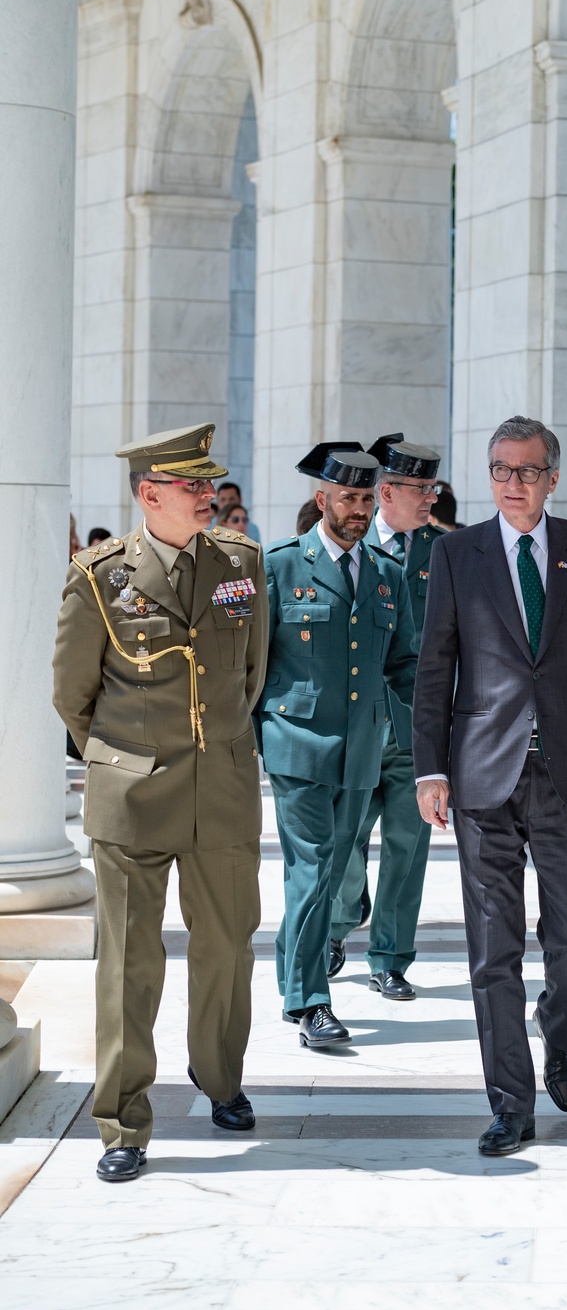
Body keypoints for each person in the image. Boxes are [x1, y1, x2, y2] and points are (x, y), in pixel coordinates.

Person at [413, 414, 567, 1155]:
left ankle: (559, 1033)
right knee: (491, 947)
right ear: (489, 477)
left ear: (553, 478)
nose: (515, 484)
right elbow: (434, 665)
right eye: (502, 471)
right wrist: (431, 769)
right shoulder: (457, 552)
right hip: (482, 777)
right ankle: (510, 1101)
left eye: (529, 471)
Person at [52, 423, 268, 1183]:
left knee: (226, 950)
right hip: (133, 797)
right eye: (192, 486)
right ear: (150, 495)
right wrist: (123, 759)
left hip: (224, 792)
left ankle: (220, 1079)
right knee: (129, 963)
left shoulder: (241, 563)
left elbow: (251, 675)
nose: (209, 496)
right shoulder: (100, 575)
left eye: (210, 484)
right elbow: (73, 697)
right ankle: (122, 1119)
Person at [258, 442, 418, 1049]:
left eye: (365, 498)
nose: (357, 509)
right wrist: (258, 734)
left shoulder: (387, 574)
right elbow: (252, 663)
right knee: (315, 866)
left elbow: (404, 665)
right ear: (321, 500)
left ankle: (295, 979)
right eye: (346, 497)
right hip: (296, 742)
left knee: (328, 871)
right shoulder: (278, 566)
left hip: (361, 748)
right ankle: (309, 1002)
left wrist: (440, 731)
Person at [325, 435, 444, 999]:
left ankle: (390, 957)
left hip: (420, 728)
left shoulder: (447, 552)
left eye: (433, 488)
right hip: (358, 725)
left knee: (407, 845)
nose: (431, 499)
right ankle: (342, 916)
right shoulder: (345, 544)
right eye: (421, 489)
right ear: (386, 491)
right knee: (343, 842)